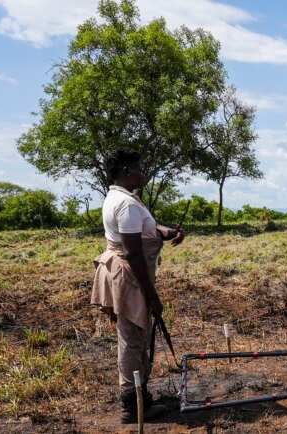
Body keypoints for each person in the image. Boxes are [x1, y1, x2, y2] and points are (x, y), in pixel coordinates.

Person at [90, 148, 185, 423]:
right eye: (140, 167)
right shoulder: (127, 204)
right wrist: (151, 295)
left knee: (135, 337)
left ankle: (139, 395)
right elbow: (132, 253)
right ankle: (132, 406)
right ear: (126, 172)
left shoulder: (120, 198)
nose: (143, 172)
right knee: (132, 340)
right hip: (129, 275)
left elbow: (150, 229)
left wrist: (173, 233)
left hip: (125, 272)